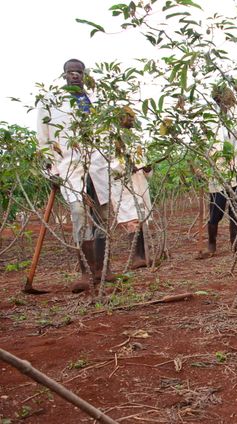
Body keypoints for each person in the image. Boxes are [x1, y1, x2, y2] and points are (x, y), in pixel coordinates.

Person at [36, 58, 116, 293]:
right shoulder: (50, 102)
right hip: (69, 167)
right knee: (79, 215)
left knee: (102, 216)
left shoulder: (95, 100)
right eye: (70, 72)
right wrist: (51, 169)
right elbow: (44, 139)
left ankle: (104, 268)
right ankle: (85, 271)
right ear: (64, 75)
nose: (74, 75)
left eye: (78, 72)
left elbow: (107, 132)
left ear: (84, 75)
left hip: (98, 166)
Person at [198, 87, 237, 258]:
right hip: (218, 171)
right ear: (216, 100)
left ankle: (236, 242)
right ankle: (211, 244)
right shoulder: (209, 118)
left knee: (236, 209)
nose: (224, 103)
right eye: (219, 100)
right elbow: (202, 144)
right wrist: (202, 167)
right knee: (217, 211)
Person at [109, 106, 153, 270]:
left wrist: (148, 169)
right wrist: (127, 167)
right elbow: (110, 164)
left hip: (139, 183)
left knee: (140, 220)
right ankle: (137, 257)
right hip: (124, 186)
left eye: (132, 118)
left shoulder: (135, 139)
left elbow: (144, 162)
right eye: (129, 117)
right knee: (132, 222)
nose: (132, 120)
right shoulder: (111, 139)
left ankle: (143, 256)